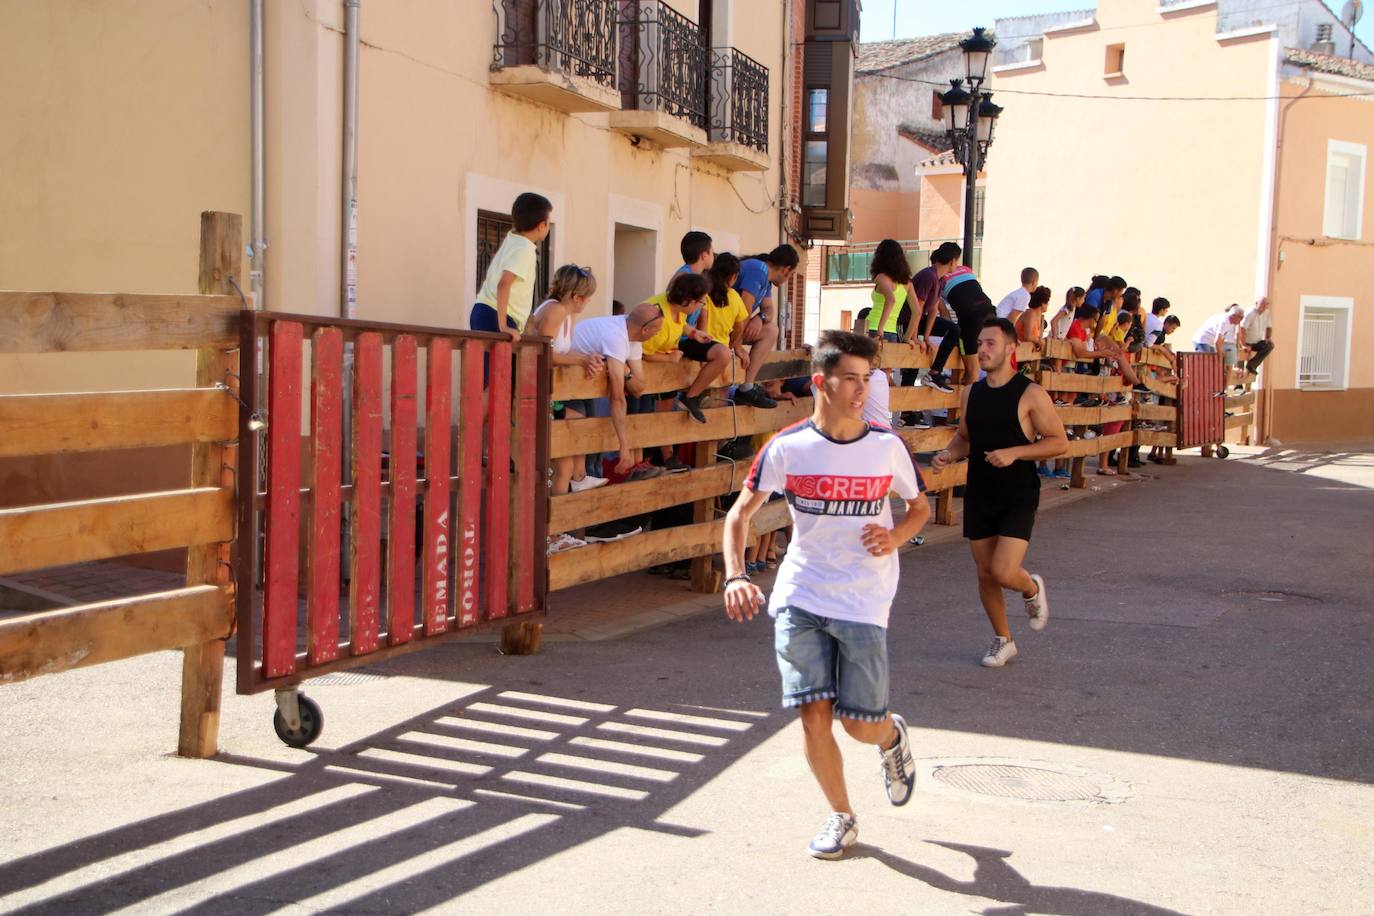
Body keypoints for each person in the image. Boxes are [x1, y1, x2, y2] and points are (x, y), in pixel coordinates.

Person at [722, 330, 929, 860]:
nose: (862, 390)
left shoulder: (885, 446)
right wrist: (737, 575)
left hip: (864, 598)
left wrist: (895, 536)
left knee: (860, 725)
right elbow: (739, 515)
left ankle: (889, 738)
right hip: (801, 592)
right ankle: (842, 815)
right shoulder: (788, 447)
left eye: (868, 380)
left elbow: (920, 508)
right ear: (821, 382)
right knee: (812, 714)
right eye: (851, 380)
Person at [933, 318, 1067, 668]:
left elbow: (1059, 442)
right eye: (980, 342)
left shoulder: (1031, 393)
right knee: (984, 573)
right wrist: (949, 454)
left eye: (991, 342)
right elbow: (964, 437)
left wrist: (1015, 452)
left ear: (1011, 349)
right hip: (980, 490)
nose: (983, 349)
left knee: (1005, 571)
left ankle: (1030, 589)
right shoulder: (971, 392)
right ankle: (1003, 639)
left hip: (1018, 492)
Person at [526, 266, 609, 552]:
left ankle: (555, 529)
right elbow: (543, 352)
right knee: (559, 466)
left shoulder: (564, 313)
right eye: (586, 297)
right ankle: (551, 534)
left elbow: (561, 353)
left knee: (564, 463)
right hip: (543, 395)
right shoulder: (555, 311)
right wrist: (580, 360)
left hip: (554, 394)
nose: (587, 303)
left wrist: (586, 360)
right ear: (575, 295)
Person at [570, 303, 665, 483]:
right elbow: (617, 398)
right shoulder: (616, 337)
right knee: (579, 447)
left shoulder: (633, 336)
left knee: (591, 441)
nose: (657, 334)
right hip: (567, 386)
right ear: (645, 330)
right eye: (656, 330)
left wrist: (626, 372)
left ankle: (588, 479)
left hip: (584, 387)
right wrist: (624, 447)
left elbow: (638, 389)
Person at [642, 272, 730, 424]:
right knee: (662, 417)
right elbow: (642, 353)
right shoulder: (656, 317)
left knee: (723, 354)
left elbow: (680, 323)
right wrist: (669, 358)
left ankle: (691, 396)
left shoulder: (677, 305)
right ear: (689, 301)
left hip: (672, 346)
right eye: (700, 303)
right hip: (658, 358)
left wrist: (694, 332)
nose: (700, 307)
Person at [470, 192, 550, 341]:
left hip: (485, 311)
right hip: (496, 316)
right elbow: (504, 284)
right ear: (541, 225)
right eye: (548, 221)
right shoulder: (524, 249)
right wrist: (503, 326)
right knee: (498, 364)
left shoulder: (513, 238)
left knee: (488, 364)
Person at [921, 242, 995, 394]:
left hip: (971, 317)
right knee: (986, 371)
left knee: (972, 373)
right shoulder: (967, 270)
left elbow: (944, 314)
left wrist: (954, 335)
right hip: (990, 312)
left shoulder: (939, 279)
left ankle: (967, 413)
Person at [732, 245, 799, 408]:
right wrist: (738, 346)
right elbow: (745, 310)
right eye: (791, 275)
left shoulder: (766, 279)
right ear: (786, 269)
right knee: (771, 330)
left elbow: (769, 311)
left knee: (771, 329)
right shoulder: (758, 270)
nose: (787, 279)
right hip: (722, 326)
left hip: (733, 327)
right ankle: (745, 388)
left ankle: (746, 387)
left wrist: (760, 318)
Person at [866, 239, 915, 343]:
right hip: (893, 332)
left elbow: (891, 299)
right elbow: (917, 312)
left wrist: (880, 328)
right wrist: (907, 338)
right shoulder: (907, 283)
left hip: (874, 328)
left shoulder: (881, 277)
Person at [1239, 296, 1273, 375]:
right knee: (1240, 361)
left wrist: (1268, 337)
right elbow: (1242, 329)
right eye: (1262, 304)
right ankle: (1238, 385)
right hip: (1245, 341)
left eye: (1266, 304)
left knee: (1270, 345)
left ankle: (1251, 365)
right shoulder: (1250, 313)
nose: (1264, 306)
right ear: (1256, 303)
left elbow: (1269, 327)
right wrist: (1243, 344)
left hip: (1256, 342)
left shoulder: (1267, 313)